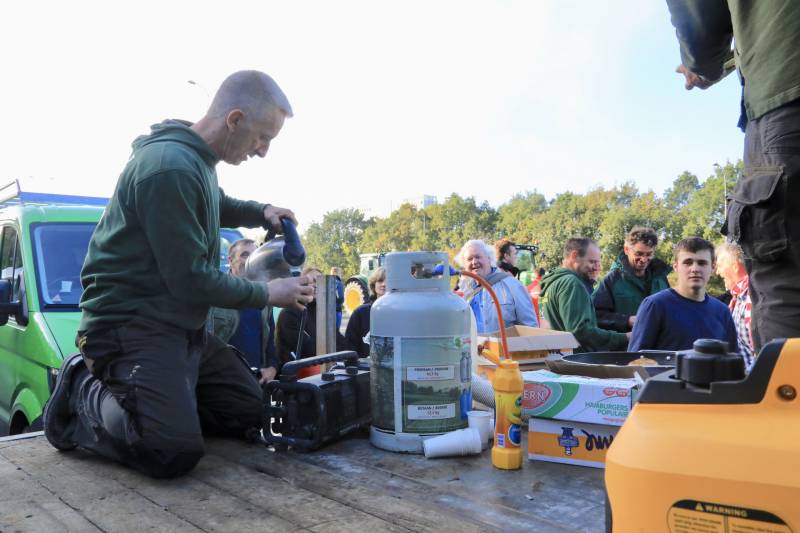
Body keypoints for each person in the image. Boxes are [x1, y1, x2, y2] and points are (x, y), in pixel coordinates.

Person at [43, 70, 315, 479]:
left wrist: (260, 211)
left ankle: (167, 395)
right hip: (130, 326)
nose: (262, 151)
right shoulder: (169, 167)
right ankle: (81, 384)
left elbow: (214, 201)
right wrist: (267, 292)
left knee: (249, 410)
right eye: (263, 137)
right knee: (170, 451)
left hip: (178, 329)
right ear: (234, 119)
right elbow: (190, 280)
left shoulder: (197, 160)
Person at [667, 1, 800, 351]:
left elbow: (700, 13)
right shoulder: (661, 305)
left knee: (788, 283)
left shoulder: (718, 309)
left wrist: (703, 63)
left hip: (786, 95)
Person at [629, 238, 738, 353]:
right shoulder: (655, 305)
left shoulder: (722, 312)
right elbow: (635, 362)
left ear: (713, 267)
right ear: (676, 266)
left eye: (702, 263)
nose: (695, 269)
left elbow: (732, 361)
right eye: (688, 262)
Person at [539, 238, 629, 353]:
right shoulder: (572, 283)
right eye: (592, 262)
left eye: (598, 262)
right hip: (576, 362)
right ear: (574, 256)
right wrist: (624, 337)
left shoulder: (552, 283)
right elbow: (581, 332)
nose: (597, 267)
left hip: (557, 359)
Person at [208, 238, 279, 383]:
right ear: (230, 260)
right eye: (245, 255)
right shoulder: (215, 293)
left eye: (254, 255)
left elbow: (270, 340)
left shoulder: (265, 296)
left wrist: (272, 367)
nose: (250, 260)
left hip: (256, 381)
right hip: (220, 381)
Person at [593, 227, 672, 332]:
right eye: (638, 254)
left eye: (649, 254)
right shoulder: (612, 280)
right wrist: (628, 320)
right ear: (626, 250)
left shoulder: (661, 277)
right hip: (628, 346)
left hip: (660, 345)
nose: (644, 259)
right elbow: (596, 316)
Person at [457, 239, 538, 334]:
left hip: (507, 348)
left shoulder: (513, 286)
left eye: (478, 257)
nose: (474, 262)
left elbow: (530, 328)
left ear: (489, 258)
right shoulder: (463, 292)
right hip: (474, 348)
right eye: (469, 259)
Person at [276, 267, 349, 365]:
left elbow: (338, 340)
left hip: (323, 368)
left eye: (320, 282)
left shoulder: (324, 312)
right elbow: (306, 349)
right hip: (299, 373)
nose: (316, 285)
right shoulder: (289, 313)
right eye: (312, 281)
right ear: (302, 284)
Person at [716, 242, 754, 369]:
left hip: (759, 382)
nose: (717, 272)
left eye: (720, 266)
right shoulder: (737, 298)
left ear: (735, 267)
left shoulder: (751, 297)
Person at [344, 267, 387, 357]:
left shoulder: (402, 314)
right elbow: (350, 344)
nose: (384, 284)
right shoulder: (360, 313)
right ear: (373, 285)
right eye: (380, 281)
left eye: (388, 281)